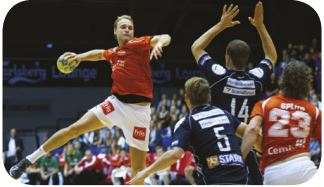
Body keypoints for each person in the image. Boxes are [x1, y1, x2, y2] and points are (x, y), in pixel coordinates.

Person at [9, 15, 171, 185]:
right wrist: (80, 57)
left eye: (130, 27)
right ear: (115, 31)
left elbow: (165, 37)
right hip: (116, 104)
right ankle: (28, 160)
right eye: (123, 27)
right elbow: (99, 54)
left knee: (138, 171)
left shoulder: (138, 44)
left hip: (139, 113)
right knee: (74, 129)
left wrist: (159, 43)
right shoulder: (114, 53)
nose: (127, 30)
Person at [191, 2, 277, 184]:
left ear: (227, 57)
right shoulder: (256, 78)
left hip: (220, 146)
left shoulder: (219, 75)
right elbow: (271, 56)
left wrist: (221, 25)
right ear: (246, 59)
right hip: (246, 145)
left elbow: (196, 48)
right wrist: (260, 27)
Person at [129, 77, 250, 185]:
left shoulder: (188, 122)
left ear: (186, 98)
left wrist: (146, 172)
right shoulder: (224, 114)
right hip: (241, 176)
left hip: (216, 178)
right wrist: (241, 155)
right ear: (209, 96)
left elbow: (175, 154)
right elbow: (250, 132)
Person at [241, 61, 321, 185]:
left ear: (282, 80)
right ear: (307, 84)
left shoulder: (266, 104)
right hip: (304, 169)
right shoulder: (314, 111)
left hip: (273, 172)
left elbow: (252, 130)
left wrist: (239, 161)